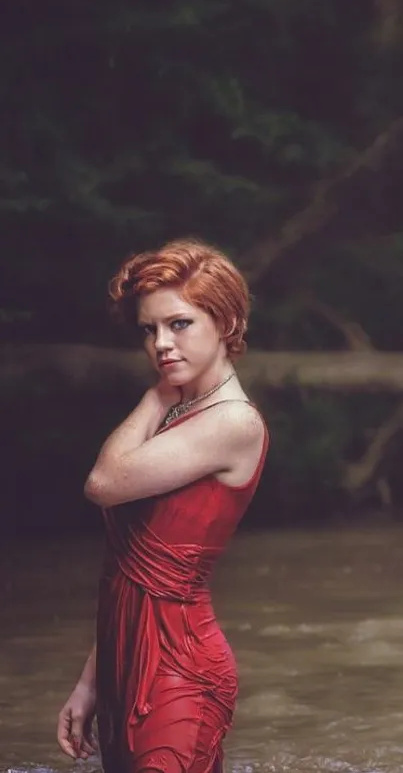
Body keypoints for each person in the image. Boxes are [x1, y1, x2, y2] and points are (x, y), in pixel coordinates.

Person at [57, 238, 269, 773]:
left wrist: (155, 395)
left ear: (225, 323)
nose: (161, 344)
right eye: (149, 330)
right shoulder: (182, 415)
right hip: (124, 664)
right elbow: (130, 572)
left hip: (182, 669)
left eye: (179, 324)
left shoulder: (231, 422)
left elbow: (103, 482)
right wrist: (91, 682)